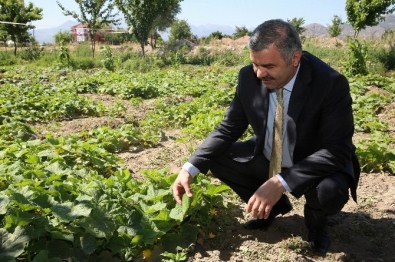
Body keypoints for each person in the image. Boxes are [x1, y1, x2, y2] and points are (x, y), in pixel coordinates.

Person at [172, 19, 360, 255]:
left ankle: (316, 224)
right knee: (213, 158)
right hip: (270, 154)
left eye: (269, 66)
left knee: (330, 192)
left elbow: (337, 150)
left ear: (295, 59)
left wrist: (280, 182)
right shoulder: (248, 78)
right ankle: (271, 209)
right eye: (254, 64)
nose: (260, 74)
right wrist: (189, 168)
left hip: (313, 161)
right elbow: (228, 127)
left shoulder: (330, 84)